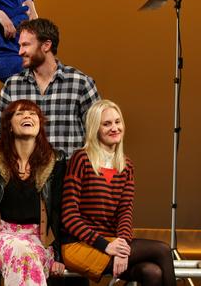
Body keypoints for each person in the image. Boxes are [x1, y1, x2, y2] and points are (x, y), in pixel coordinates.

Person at [61, 100, 176, 285]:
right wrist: (107, 246)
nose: (114, 128)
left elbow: (125, 212)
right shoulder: (81, 159)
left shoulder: (126, 165)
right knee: (162, 250)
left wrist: (121, 246)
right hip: (80, 245)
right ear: (95, 128)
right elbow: (68, 216)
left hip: (113, 244)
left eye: (117, 122)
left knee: (151, 272)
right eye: (106, 124)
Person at [0, 99, 66, 285]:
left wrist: (59, 255)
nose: (27, 116)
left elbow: (59, 211)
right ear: (9, 126)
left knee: (27, 256)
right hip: (1, 237)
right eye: (19, 113)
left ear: (39, 124)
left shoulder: (56, 161)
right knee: (22, 252)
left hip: (40, 240)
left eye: (32, 113)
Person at [0, 18, 100, 158]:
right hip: (26, 176)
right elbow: (0, 135)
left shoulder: (81, 83)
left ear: (46, 45)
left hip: (69, 176)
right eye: (20, 45)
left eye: (25, 45)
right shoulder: (12, 86)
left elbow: (98, 133)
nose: (20, 52)